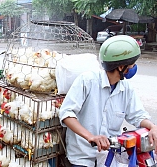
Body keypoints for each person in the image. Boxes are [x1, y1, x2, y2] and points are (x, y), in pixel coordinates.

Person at [59, 35, 157, 167]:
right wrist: (90, 137)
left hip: (109, 157)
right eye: (132, 64)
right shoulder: (87, 81)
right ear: (121, 67)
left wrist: (152, 126)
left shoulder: (126, 88)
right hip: (82, 157)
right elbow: (66, 114)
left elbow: (137, 115)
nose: (134, 68)